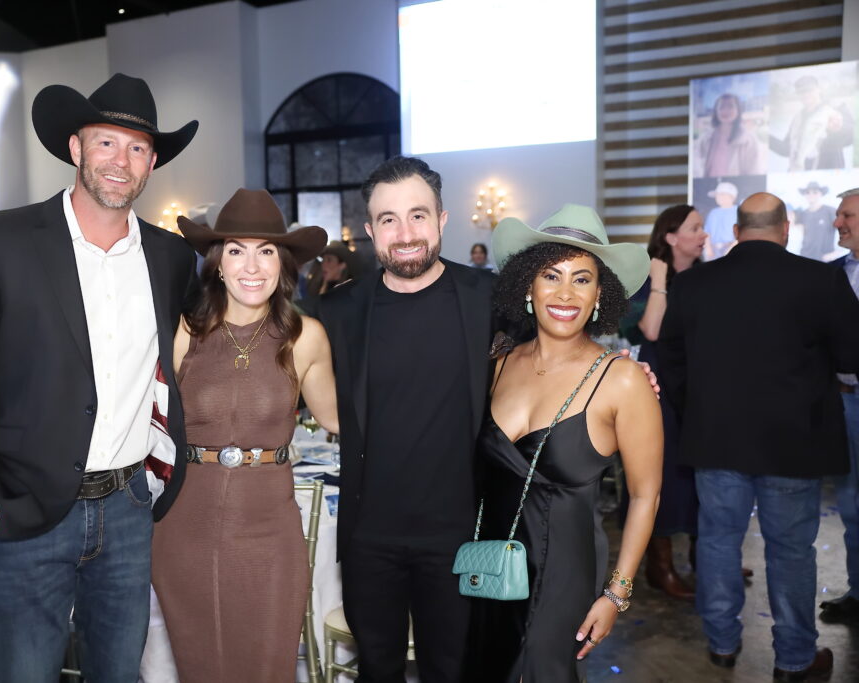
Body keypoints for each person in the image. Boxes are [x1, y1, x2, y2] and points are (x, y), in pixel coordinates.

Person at [0, 73, 200, 683]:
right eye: (106, 143)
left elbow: (198, 349)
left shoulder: (171, 257)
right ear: (75, 148)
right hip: (23, 511)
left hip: (129, 508)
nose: (121, 160)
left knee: (118, 673)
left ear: (152, 163)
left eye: (137, 148)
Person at [658, 192, 859, 681]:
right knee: (790, 551)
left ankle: (722, 644)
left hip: (716, 438)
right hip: (794, 442)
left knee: (718, 543)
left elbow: (672, 362)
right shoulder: (821, 279)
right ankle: (794, 659)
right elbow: (852, 357)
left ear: (737, 231)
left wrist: (698, 410)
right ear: (785, 229)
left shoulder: (695, 282)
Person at [318, 156, 497, 682]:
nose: (405, 234)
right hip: (369, 537)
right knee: (377, 671)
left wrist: (616, 372)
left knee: (455, 671)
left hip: (462, 533)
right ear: (370, 231)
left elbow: (554, 358)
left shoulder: (489, 299)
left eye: (418, 215)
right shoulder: (338, 311)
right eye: (389, 219)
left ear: (442, 220)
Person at [466, 205, 661, 682]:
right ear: (527, 287)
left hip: (562, 575)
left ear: (599, 295)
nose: (565, 293)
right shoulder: (496, 363)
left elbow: (645, 495)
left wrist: (616, 593)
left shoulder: (622, 381)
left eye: (582, 279)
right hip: (484, 565)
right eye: (551, 276)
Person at [149, 188, 338, 682]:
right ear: (217, 264)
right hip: (184, 527)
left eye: (266, 251)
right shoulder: (184, 330)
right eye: (236, 251)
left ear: (283, 265)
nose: (251, 266)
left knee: (267, 666)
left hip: (269, 528)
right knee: (200, 667)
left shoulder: (305, 336)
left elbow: (341, 421)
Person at [620, 205, 706, 601]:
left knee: (701, 475)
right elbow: (650, 330)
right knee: (662, 475)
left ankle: (706, 558)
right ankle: (660, 566)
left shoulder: (707, 277)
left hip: (699, 388)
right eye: (695, 227)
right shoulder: (644, 280)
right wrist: (658, 280)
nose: (704, 234)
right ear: (670, 237)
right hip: (658, 390)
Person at [820, 188, 859, 625]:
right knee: (850, 505)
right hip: (844, 403)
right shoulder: (828, 276)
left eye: (846, 215)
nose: (837, 223)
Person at [770, 75, 855, 171]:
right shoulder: (796, 120)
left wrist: (838, 128)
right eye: (801, 92)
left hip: (829, 176)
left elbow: (853, 135)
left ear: (819, 89)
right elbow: (786, 150)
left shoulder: (837, 109)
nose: (806, 94)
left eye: (809, 90)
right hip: (800, 176)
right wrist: (766, 138)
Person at [694, 93, 763, 178]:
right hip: (708, 185)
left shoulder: (749, 140)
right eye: (721, 107)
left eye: (730, 106)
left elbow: (754, 172)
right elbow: (696, 164)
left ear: (738, 110)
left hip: (737, 186)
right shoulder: (706, 138)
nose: (725, 111)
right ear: (716, 111)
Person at [797, 181, 838, 261]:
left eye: (815, 192)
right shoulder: (803, 214)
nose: (811, 195)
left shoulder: (830, 211)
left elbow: (846, 231)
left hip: (825, 260)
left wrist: (836, 253)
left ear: (821, 194)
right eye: (808, 192)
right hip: (805, 259)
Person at [703, 181, 738, 260]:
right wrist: (708, 249)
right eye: (717, 195)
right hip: (714, 250)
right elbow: (707, 232)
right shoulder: (713, 213)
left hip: (731, 248)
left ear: (732, 196)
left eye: (721, 194)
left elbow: (741, 232)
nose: (718, 197)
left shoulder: (738, 211)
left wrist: (733, 248)